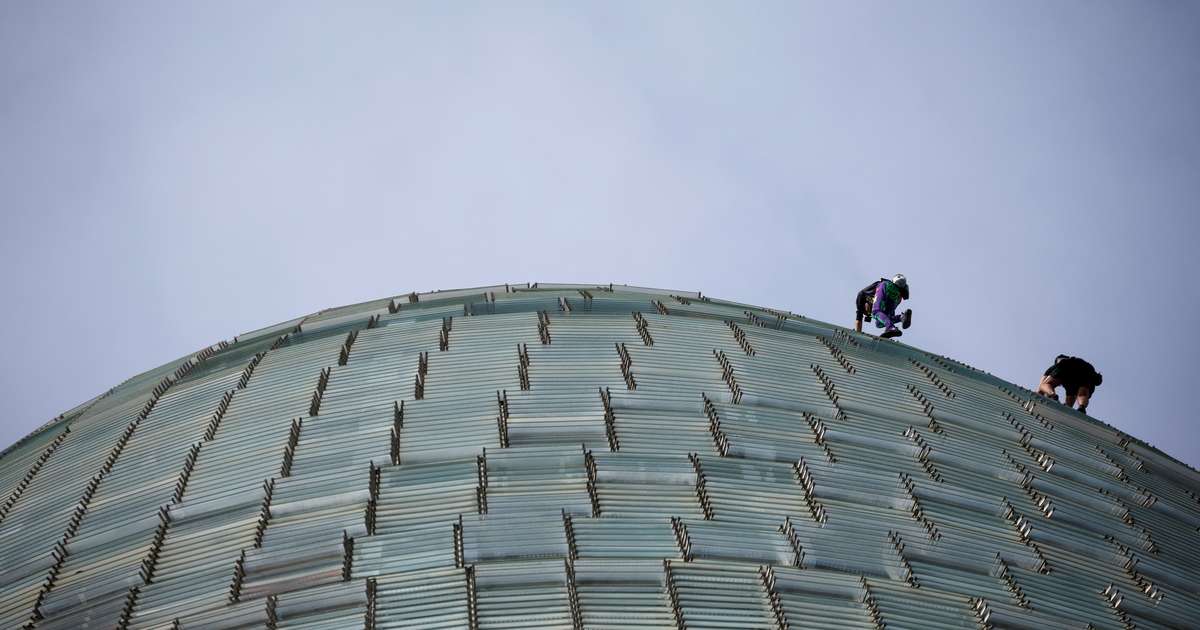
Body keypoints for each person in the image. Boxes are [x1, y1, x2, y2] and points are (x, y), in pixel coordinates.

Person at [1038, 355, 1102, 414]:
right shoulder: (1079, 363)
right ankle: (1081, 407)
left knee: (1047, 384)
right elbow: (1070, 400)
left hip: (1067, 367)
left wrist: (1041, 393)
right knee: (1082, 394)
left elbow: (1041, 387)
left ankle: (1052, 395)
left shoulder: (1060, 364)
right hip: (1087, 372)